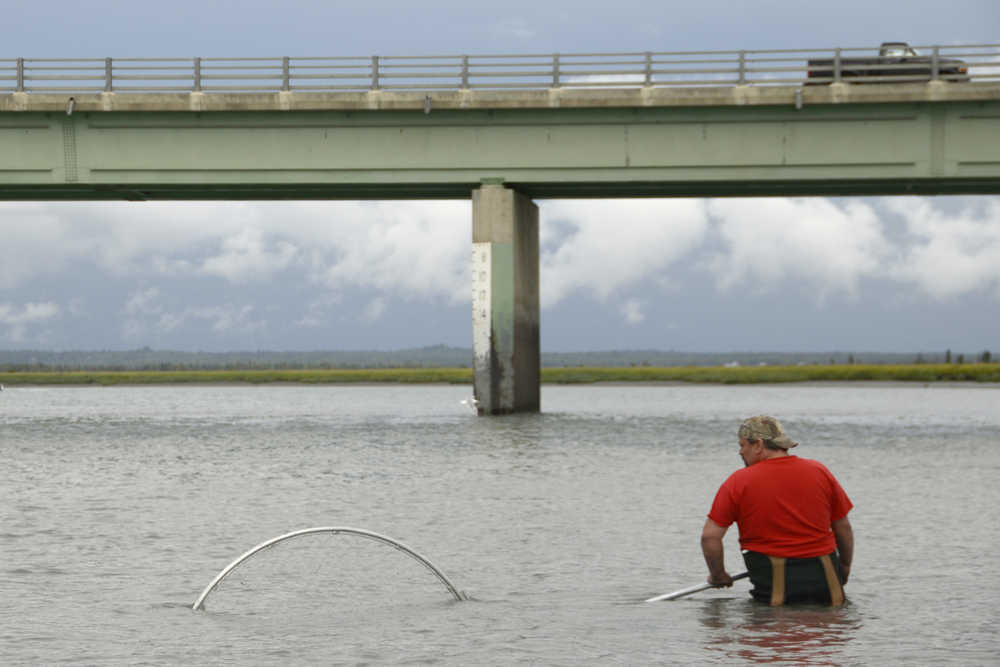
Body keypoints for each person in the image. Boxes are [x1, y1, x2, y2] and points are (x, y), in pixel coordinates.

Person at [701, 416, 854, 606]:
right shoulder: (819, 471)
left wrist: (718, 575)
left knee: (774, 630)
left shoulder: (739, 481)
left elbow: (710, 537)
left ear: (758, 445)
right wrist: (845, 567)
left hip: (773, 592)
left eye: (742, 445)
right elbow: (843, 527)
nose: (740, 452)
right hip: (828, 587)